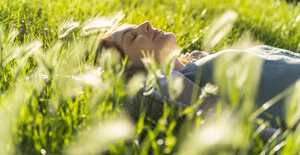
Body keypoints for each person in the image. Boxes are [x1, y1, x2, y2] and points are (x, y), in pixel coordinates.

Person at [94, 21, 300, 129]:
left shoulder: (196, 67)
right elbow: (231, 120)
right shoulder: (178, 84)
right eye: (132, 37)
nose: (146, 24)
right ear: (131, 71)